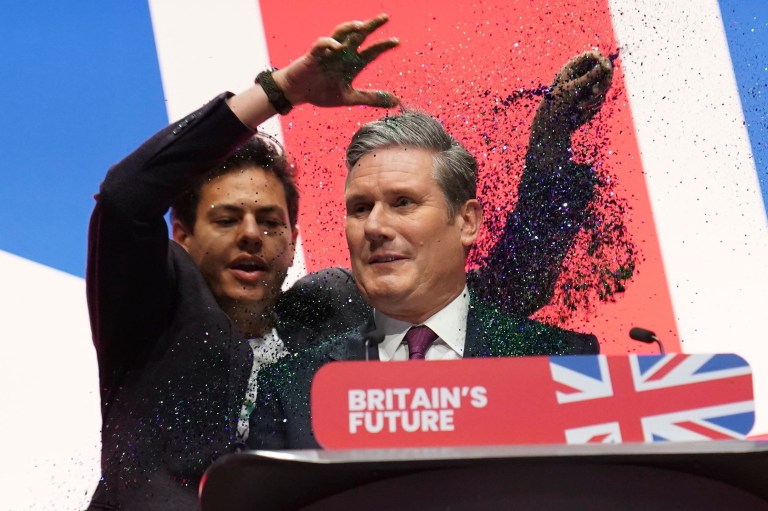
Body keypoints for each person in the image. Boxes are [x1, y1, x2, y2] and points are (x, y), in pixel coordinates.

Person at [86, 13, 611, 511]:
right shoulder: (150, 313)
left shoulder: (333, 310)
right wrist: (280, 92)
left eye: (270, 222)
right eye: (227, 220)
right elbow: (124, 198)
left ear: (293, 239)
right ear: (180, 235)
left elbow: (509, 284)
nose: (251, 237)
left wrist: (548, 150)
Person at [247, 110, 599, 450]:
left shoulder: (561, 361)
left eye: (402, 202)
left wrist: (549, 153)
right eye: (360, 208)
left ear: (466, 222)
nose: (374, 227)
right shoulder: (290, 389)